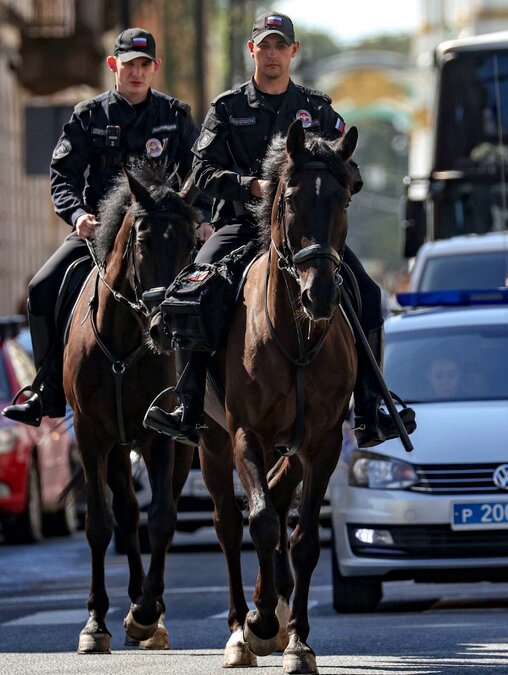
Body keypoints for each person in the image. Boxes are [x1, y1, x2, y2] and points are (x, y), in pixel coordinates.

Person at [143, 11, 415, 448]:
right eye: (263, 46)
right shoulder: (227, 108)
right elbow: (201, 170)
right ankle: (188, 401)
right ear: (252, 50)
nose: (271, 54)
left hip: (305, 233)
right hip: (241, 227)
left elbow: (352, 169)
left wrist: (327, 176)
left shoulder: (318, 108)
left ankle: (370, 404)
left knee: (367, 292)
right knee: (193, 289)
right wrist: (247, 184)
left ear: (293, 51)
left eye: (279, 46)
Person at [3, 28, 202, 427]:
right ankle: (48, 390)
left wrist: (201, 221)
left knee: (212, 290)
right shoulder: (89, 116)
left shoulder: (174, 116)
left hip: (160, 239)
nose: (137, 73)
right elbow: (63, 175)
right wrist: (77, 215)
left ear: (154, 69)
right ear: (114, 66)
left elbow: (199, 172)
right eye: (129, 65)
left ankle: (202, 394)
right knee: (42, 287)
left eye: (145, 65)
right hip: (99, 236)